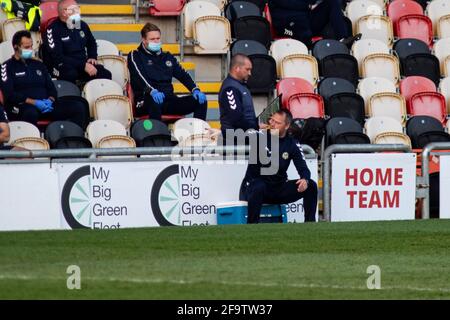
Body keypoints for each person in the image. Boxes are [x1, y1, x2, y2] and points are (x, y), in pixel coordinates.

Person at [239, 109, 318, 223]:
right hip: (255, 188)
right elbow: (239, 134)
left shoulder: (292, 144)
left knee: (311, 186)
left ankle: (310, 225)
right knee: (258, 186)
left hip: (278, 188)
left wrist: (305, 179)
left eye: (277, 122)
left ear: (286, 126)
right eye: (272, 120)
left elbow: (303, 168)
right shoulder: (259, 135)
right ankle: (252, 225)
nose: (273, 124)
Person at [1, 30, 88, 128]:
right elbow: (9, 94)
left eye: (31, 46)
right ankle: (33, 141)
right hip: (23, 106)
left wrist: (50, 100)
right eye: (26, 47)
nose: (30, 49)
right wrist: (35, 102)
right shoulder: (6, 67)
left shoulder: (39, 64)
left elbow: (51, 88)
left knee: (78, 107)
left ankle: (72, 140)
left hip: (46, 105)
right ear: (16, 47)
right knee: (30, 113)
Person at [127, 23, 207, 121]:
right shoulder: (135, 55)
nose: (156, 41)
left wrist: (195, 89)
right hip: (146, 101)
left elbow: (183, 74)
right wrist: (152, 91)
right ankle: (156, 135)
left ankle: (198, 134)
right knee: (155, 101)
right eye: (152, 39)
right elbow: (138, 76)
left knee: (200, 101)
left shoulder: (167, 57)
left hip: (169, 100)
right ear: (144, 40)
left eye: (158, 38)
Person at [43, 0, 112, 83]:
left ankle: (93, 95)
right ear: (65, 12)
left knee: (104, 73)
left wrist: (92, 56)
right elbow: (58, 57)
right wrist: (83, 65)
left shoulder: (81, 25)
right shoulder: (52, 29)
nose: (78, 11)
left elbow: (91, 43)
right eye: (75, 8)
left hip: (82, 64)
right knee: (71, 74)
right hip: (60, 66)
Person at [269, 0, 359, 48]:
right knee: (304, 33)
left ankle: (342, 39)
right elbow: (283, 2)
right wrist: (307, 6)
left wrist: (309, 5)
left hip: (306, 21)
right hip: (286, 24)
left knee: (332, 2)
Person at [219, 54, 261, 142]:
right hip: (236, 139)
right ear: (237, 68)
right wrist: (256, 127)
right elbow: (236, 118)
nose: (250, 73)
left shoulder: (240, 85)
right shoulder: (230, 88)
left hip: (245, 134)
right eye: (247, 69)